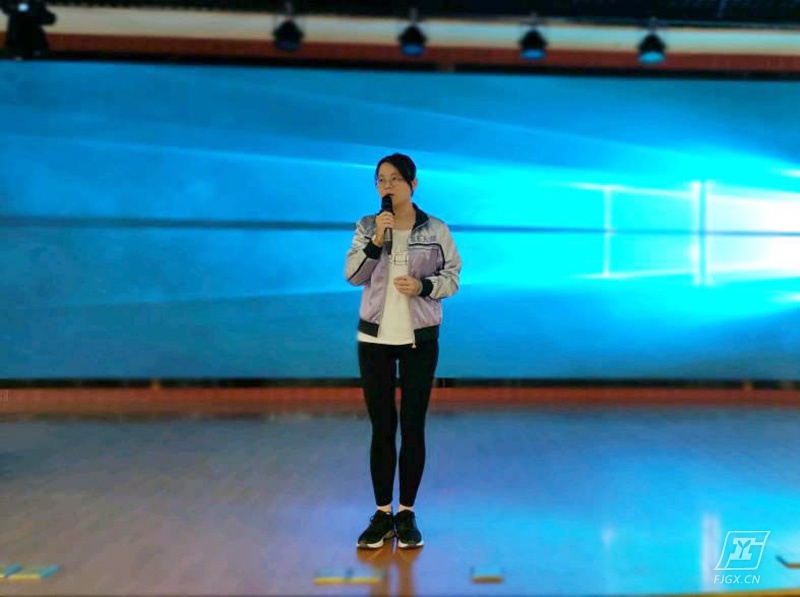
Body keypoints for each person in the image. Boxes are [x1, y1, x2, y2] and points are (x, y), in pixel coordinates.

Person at [344, 153, 462, 549]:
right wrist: (376, 241)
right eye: (381, 179)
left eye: (395, 178)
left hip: (419, 341)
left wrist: (423, 287)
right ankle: (382, 514)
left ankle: (407, 513)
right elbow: (353, 276)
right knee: (382, 427)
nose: (387, 186)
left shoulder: (436, 229)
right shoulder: (367, 226)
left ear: (413, 184)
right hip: (374, 341)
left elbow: (453, 277)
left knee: (412, 426)